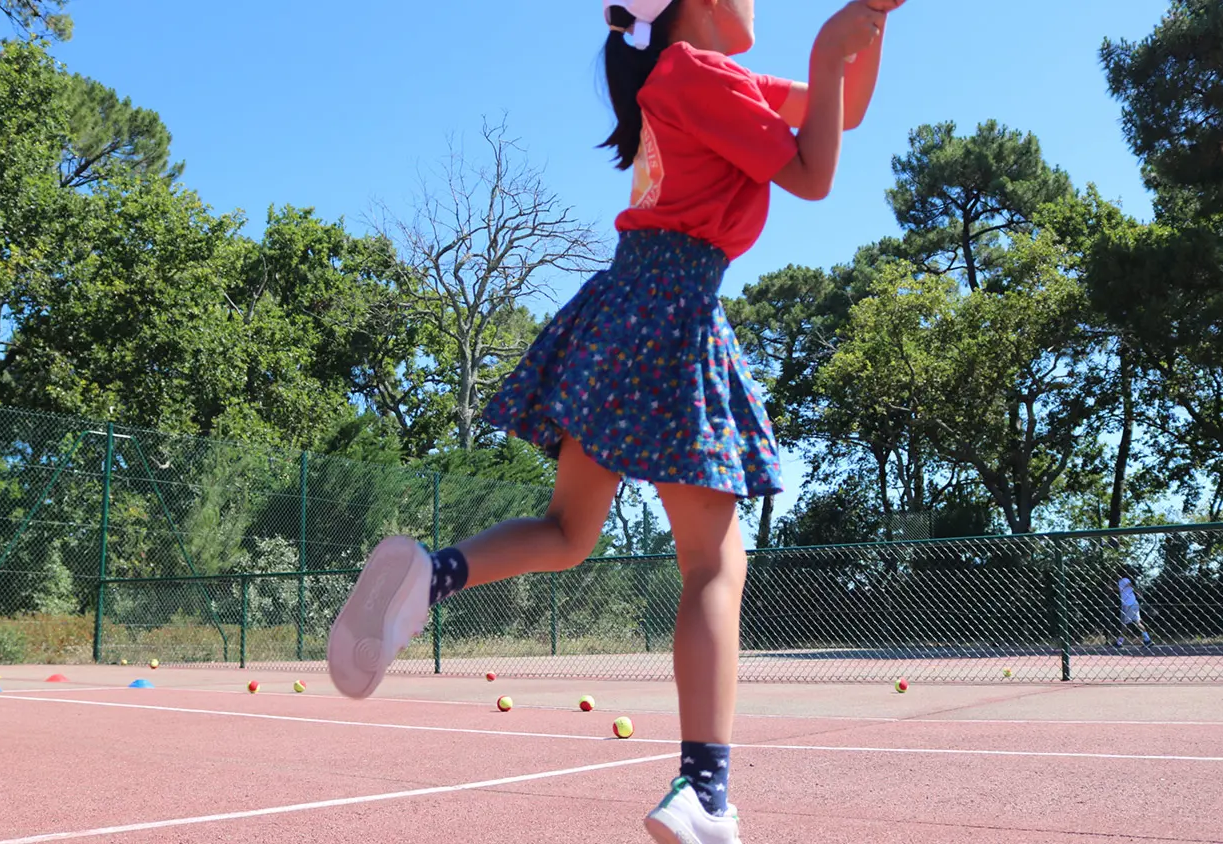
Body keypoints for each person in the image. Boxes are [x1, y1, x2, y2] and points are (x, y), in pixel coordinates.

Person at [327, 0, 903, 840]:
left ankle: (434, 572)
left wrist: (869, 26)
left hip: (618, 309)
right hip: (673, 308)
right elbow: (814, 175)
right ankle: (703, 792)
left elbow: (840, 109)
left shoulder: (700, 76)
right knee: (712, 563)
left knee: (567, 529)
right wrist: (826, 46)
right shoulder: (696, 75)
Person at [1115, 567, 1153, 648]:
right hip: (1133, 603)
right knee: (1138, 622)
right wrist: (1112, 588)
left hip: (1128, 605)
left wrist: (1138, 591)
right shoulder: (1122, 581)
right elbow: (1122, 590)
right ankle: (1147, 640)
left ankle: (1119, 643)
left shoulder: (1124, 579)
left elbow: (1131, 586)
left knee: (1124, 624)